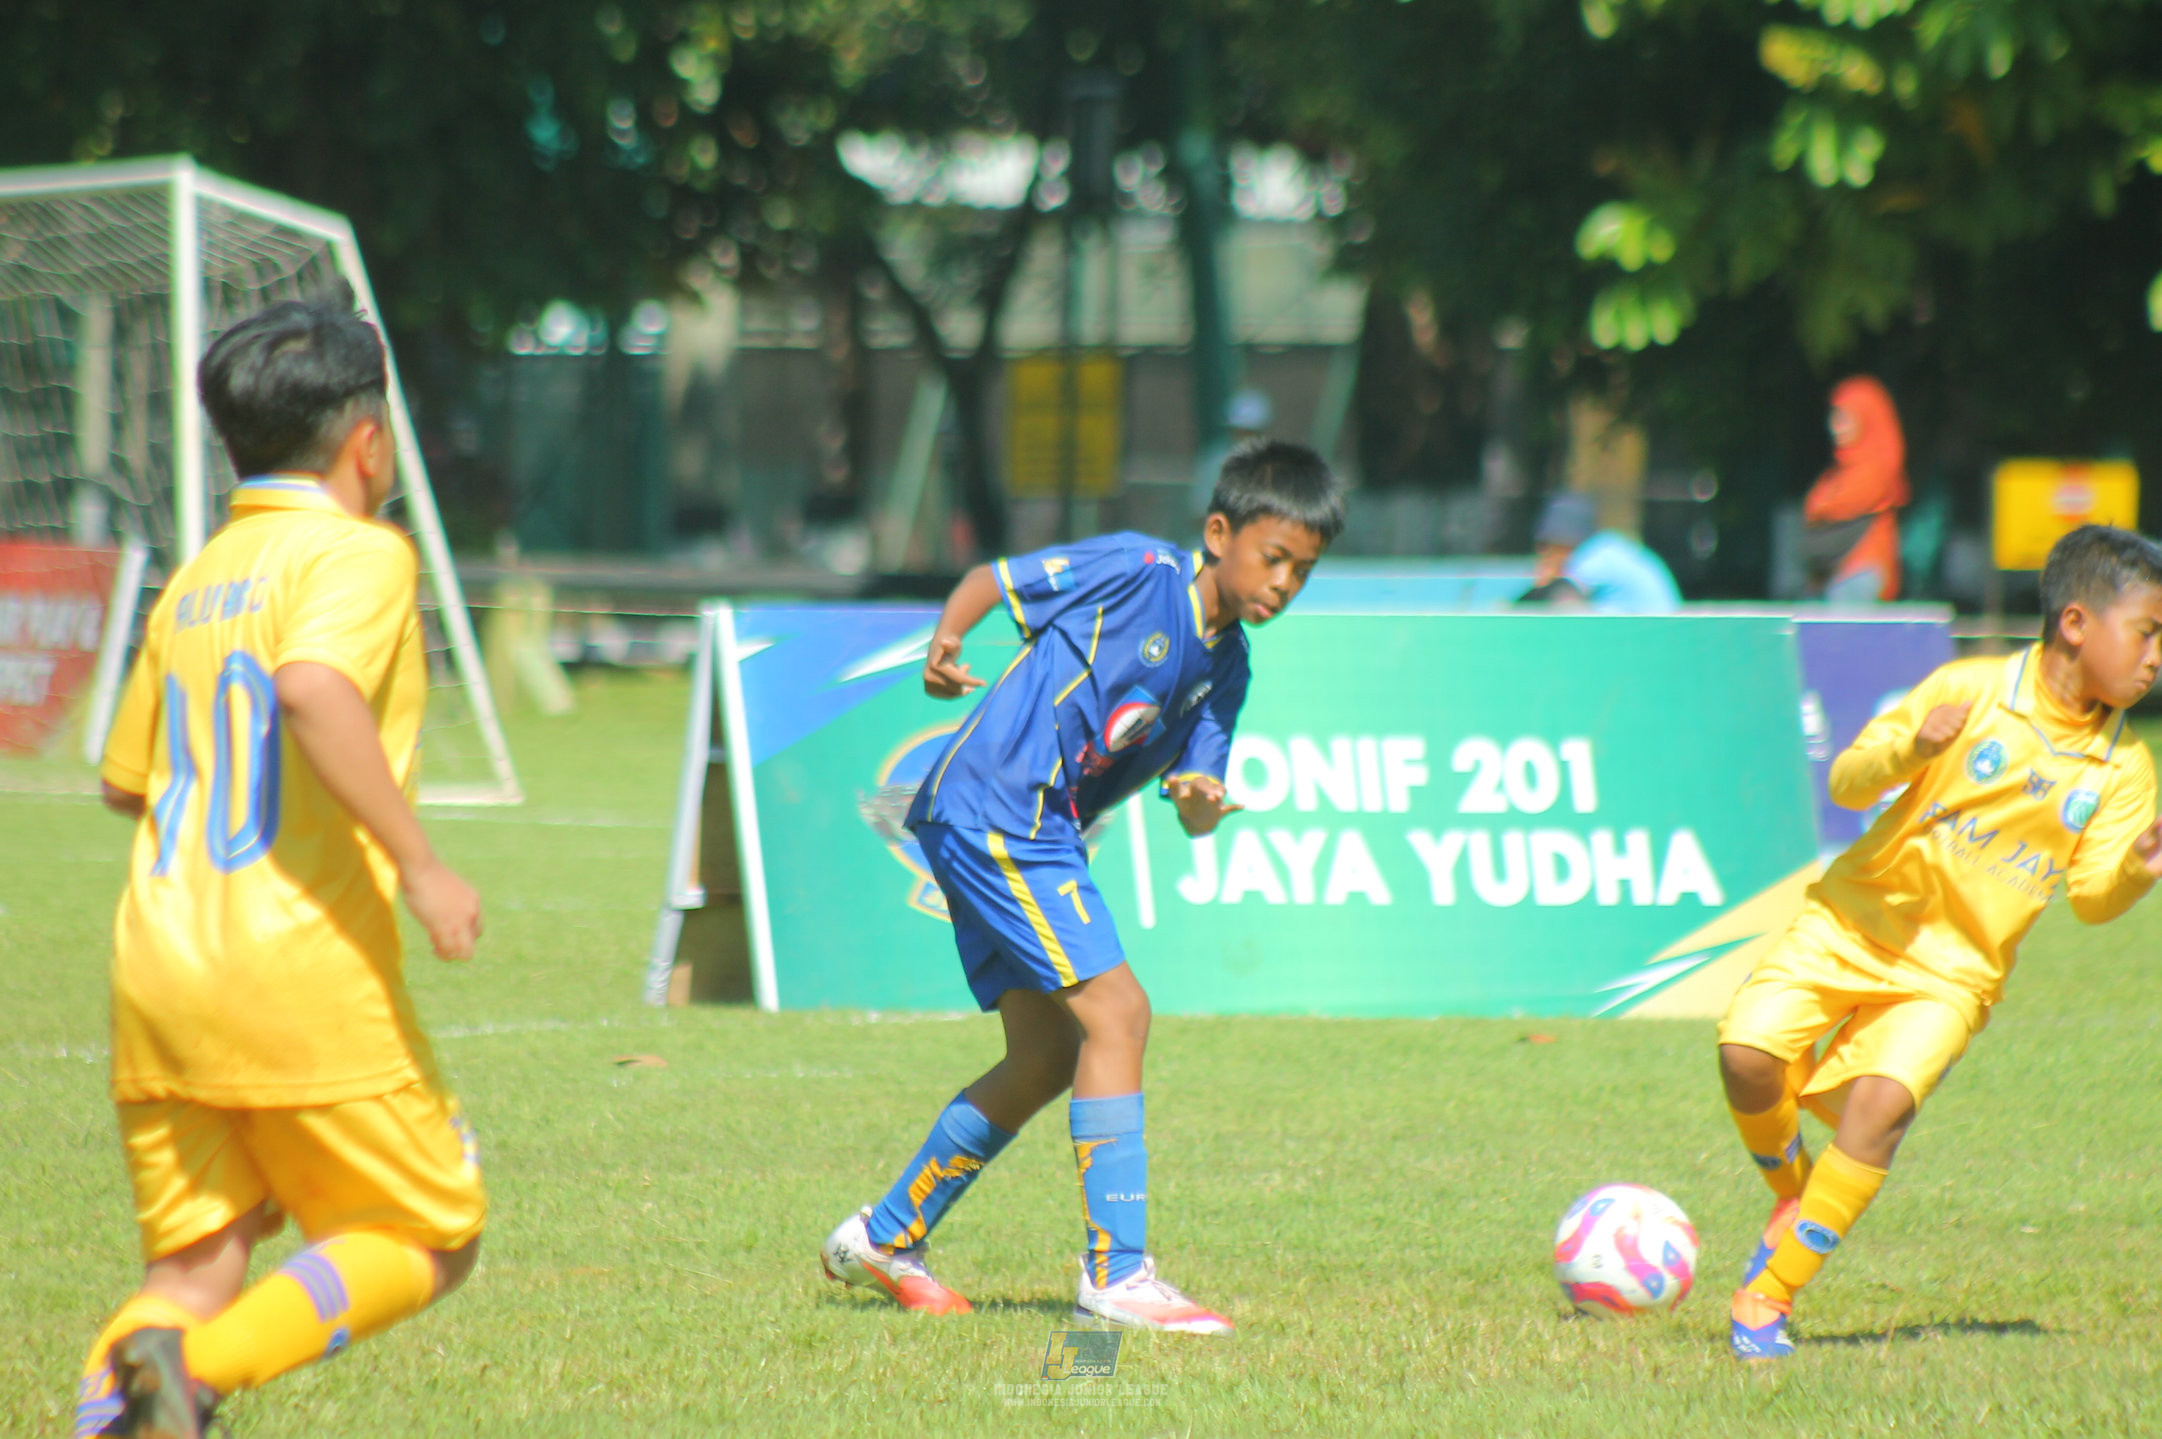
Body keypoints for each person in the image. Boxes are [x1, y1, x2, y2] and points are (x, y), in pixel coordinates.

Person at [75, 294, 486, 1437]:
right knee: (427, 1233)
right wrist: (420, 865)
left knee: (194, 1266)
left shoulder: (201, 574)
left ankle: (136, 1393)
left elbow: (125, 777)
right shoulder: (358, 551)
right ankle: (197, 1377)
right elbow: (312, 686)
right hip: (297, 963)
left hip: (159, 965)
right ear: (366, 441)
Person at [822, 439, 1343, 1333]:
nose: (1285, 583)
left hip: (1027, 827)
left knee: (1049, 1057)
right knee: (1120, 1013)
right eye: (1275, 557)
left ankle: (881, 1236)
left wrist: (1201, 799)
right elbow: (997, 577)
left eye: (1304, 571)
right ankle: (1118, 1273)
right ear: (1219, 533)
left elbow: (1194, 809)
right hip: (999, 808)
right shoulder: (1138, 569)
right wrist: (947, 638)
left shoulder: (1229, 670)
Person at [1719, 524, 2162, 1360]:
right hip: (1850, 921)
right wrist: (1909, 747)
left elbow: (2094, 900)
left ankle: (1766, 1297)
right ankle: (1794, 1192)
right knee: (1744, 1054)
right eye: (2148, 632)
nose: (2155, 658)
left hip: (1955, 974)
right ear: (2076, 623)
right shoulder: (1970, 689)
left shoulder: (2123, 768)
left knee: (1879, 1110)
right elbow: (1849, 776)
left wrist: (2139, 867)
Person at [1802, 375, 1909, 602]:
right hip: (1834, 574)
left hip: (1861, 573)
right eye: (1835, 418)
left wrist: (1821, 507)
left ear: (1866, 419)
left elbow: (1836, 505)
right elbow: (1813, 505)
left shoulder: (1876, 467)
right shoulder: (1840, 469)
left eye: (1846, 419)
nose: (1835, 428)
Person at [1524, 492, 1680, 613]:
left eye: (1547, 544)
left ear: (1564, 541)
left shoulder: (1595, 556)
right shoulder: (1609, 546)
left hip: (1648, 639)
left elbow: (1563, 602)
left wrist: (1545, 584)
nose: (1542, 552)